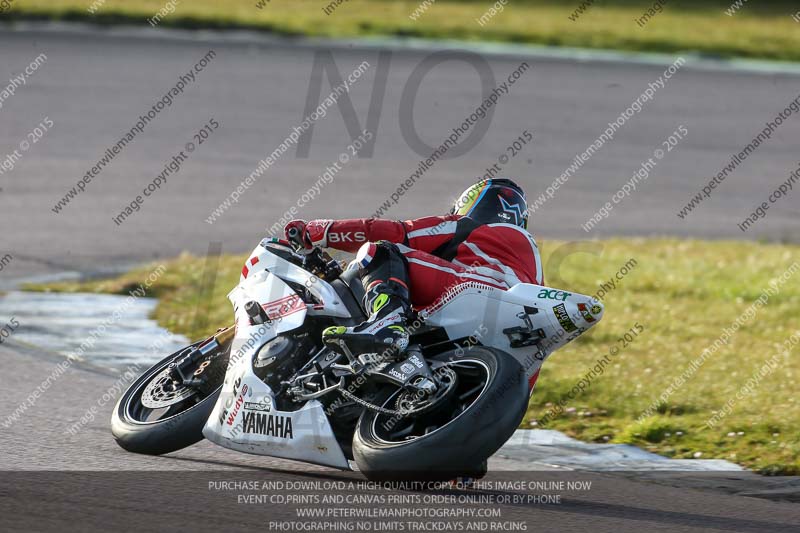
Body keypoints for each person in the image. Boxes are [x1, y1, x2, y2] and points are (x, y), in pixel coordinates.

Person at [284, 178, 543, 356]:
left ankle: (386, 322)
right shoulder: (532, 258)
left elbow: (400, 233)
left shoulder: (467, 226)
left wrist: (323, 232)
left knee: (381, 249)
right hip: (509, 329)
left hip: (470, 291)